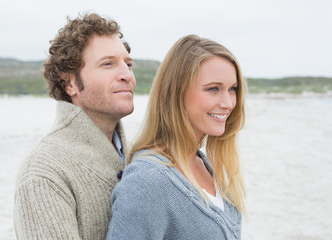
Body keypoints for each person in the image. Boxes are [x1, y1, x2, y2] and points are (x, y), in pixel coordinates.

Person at [106, 34, 246, 240]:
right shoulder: (147, 182)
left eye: (232, 89)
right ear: (177, 93)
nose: (228, 103)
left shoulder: (204, 165)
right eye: (213, 89)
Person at [14, 13, 136, 240]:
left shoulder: (137, 156)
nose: (126, 75)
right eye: (108, 64)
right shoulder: (44, 173)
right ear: (69, 83)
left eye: (128, 64)